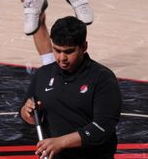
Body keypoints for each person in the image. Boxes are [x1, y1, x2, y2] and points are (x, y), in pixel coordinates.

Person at [20, 16, 121, 159]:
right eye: (57, 50)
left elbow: (102, 128)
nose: (62, 58)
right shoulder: (44, 74)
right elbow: (26, 116)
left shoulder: (102, 78)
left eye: (69, 52)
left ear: (84, 47)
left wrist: (61, 142)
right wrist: (28, 112)